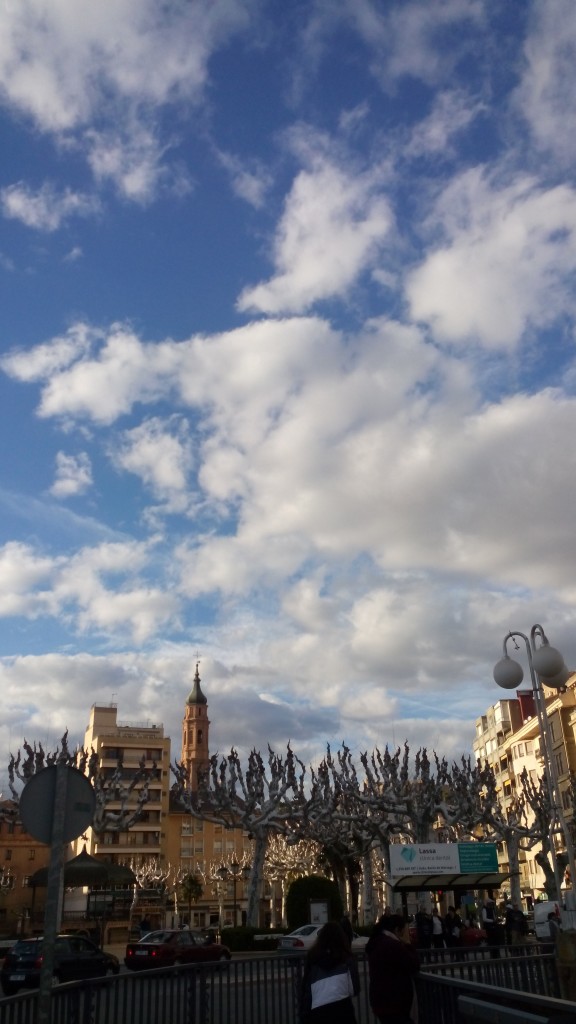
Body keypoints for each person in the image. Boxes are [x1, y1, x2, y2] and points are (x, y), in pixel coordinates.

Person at [300, 921, 360, 1024]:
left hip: (318, 1012)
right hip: (343, 1011)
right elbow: (355, 988)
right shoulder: (346, 957)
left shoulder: (313, 959)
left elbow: (306, 992)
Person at [366, 913, 420, 1024]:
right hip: (394, 1003)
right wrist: (408, 943)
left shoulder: (378, 941)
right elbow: (413, 964)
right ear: (397, 930)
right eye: (405, 931)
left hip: (381, 1001)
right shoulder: (392, 945)